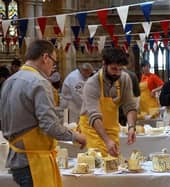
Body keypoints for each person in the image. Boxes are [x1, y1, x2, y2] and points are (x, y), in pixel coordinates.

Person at [0, 40, 86, 187]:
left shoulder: (9, 81)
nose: (53, 67)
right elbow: (50, 125)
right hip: (34, 161)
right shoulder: (39, 82)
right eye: (54, 62)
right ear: (45, 58)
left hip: (16, 158)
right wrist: (75, 136)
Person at [79, 48, 137, 157]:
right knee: (98, 161)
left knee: (113, 162)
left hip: (112, 128)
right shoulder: (92, 84)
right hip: (92, 129)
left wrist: (131, 127)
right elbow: (94, 116)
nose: (117, 73)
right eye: (114, 69)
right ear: (104, 64)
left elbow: (129, 106)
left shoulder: (125, 79)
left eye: (120, 69)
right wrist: (107, 140)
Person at [119, 53, 140, 126]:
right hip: (128, 109)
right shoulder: (132, 75)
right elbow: (137, 95)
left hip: (113, 109)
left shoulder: (110, 74)